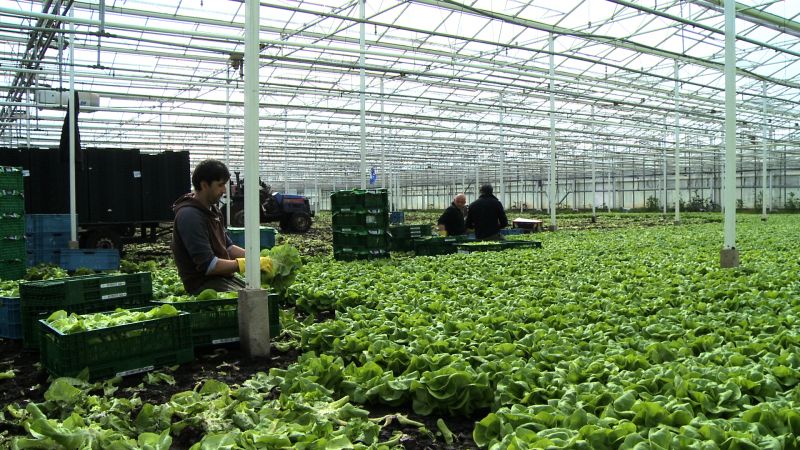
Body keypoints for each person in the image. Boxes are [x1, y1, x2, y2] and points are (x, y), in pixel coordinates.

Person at [171, 159, 267, 295]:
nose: (224, 190)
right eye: (220, 185)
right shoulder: (190, 216)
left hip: (221, 277)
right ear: (204, 185)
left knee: (259, 294)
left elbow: (228, 247)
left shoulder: (213, 211)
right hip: (203, 284)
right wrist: (247, 263)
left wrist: (257, 257)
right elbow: (209, 265)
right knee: (251, 301)